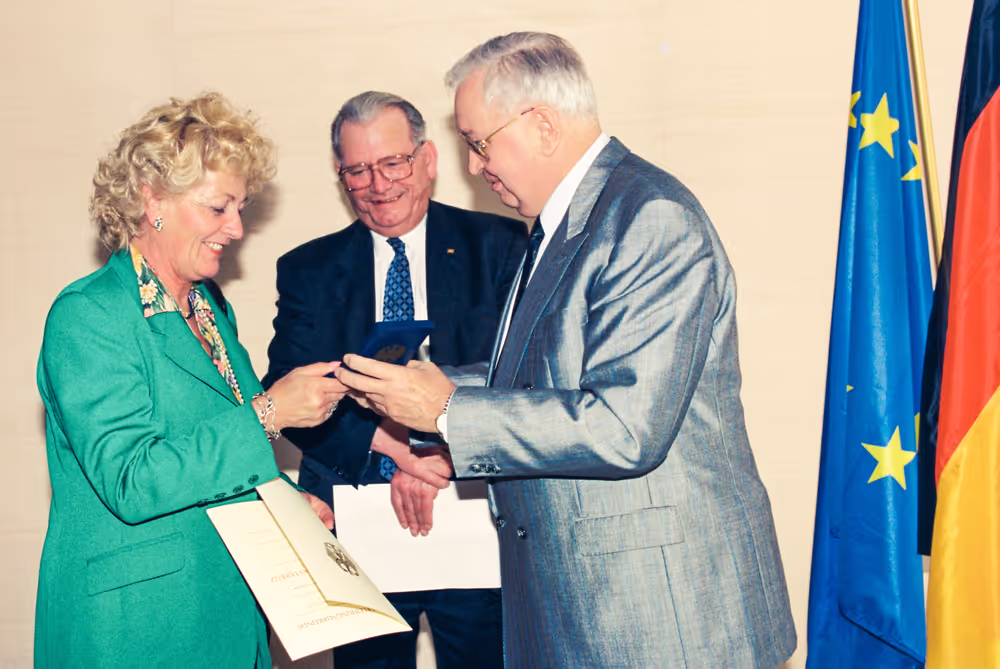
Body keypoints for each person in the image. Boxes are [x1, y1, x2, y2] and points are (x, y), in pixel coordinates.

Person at [336, 33, 798, 668]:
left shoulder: (648, 218)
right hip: (581, 609)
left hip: (660, 618)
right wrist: (413, 388)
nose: (473, 166)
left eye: (479, 142)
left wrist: (447, 413)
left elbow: (623, 427)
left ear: (543, 126)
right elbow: (534, 378)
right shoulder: (564, 222)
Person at [34, 92, 347, 668]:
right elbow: (132, 480)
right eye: (218, 208)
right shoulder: (90, 315)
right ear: (152, 198)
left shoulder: (209, 309)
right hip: (139, 630)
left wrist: (282, 500)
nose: (236, 228)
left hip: (226, 613)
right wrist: (269, 414)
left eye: (242, 207)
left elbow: (216, 451)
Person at [263, 91, 525, 668]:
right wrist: (401, 448)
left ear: (427, 159)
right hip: (356, 524)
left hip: (471, 508)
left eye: (392, 163)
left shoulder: (501, 246)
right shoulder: (306, 268)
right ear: (340, 176)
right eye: (357, 170)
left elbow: (519, 376)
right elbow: (285, 390)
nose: (378, 184)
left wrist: (436, 447)